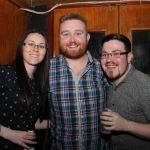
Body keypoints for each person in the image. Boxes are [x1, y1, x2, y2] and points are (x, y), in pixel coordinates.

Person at [48, 12, 110, 150]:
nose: (72, 39)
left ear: (87, 37)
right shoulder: (47, 70)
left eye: (78, 33)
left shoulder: (104, 68)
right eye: (65, 34)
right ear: (59, 38)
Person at [0, 29, 50, 149]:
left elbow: (28, 120)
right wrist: (7, 133)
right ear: (21, 47)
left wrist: (59, 122)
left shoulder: (38, 84)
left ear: (45, 52)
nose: (36, 49)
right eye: (31, 44)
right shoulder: (5, 72)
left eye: (41, 46)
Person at [100, 33, 150, 150]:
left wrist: (126, 125)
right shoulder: (106, 82)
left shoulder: (144, 87)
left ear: (129, 57)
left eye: (116, 53)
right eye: (105, 54)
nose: (109, 60)